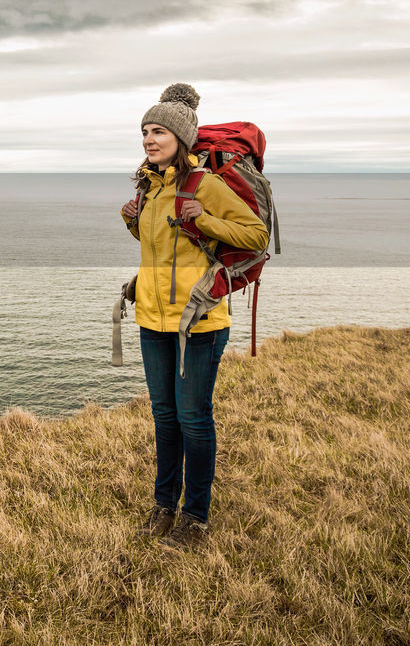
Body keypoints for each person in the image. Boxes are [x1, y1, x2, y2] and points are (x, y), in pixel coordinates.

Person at [119, 83, 269, 551]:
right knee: (164, 416)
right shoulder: (149, 184)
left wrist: (203, 218)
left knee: (193, 419)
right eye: (145, 130)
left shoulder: (205, 185)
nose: (148, 138)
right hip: (152, 319)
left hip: (199, 322)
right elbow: (163, 249)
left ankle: (195, 517)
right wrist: (133, 220)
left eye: (158, 130)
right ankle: (164, 506)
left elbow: (255, 235)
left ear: (182, 138)